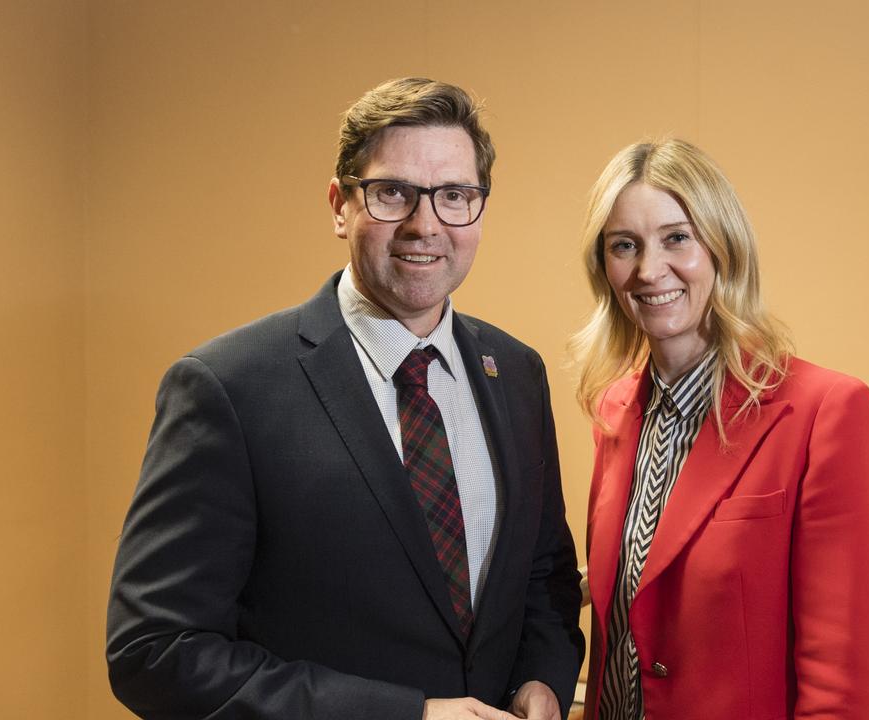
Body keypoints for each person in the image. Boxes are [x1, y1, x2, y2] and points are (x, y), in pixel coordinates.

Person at [107, 78, 584, 720]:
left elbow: (543, 576)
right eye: (393, 193)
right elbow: (156, 651)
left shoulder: (517, 374)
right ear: (340, 205)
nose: (426, 225)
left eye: (454, 196)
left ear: (479, 208)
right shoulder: (228, 387)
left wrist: (543, 680)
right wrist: (408, 715)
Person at [571, 139, 869, 719]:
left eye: (676, 238)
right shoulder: (615, 409)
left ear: (723, 247)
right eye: (624, 246)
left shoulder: (827, 412)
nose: (648, 270)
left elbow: (842, 677)